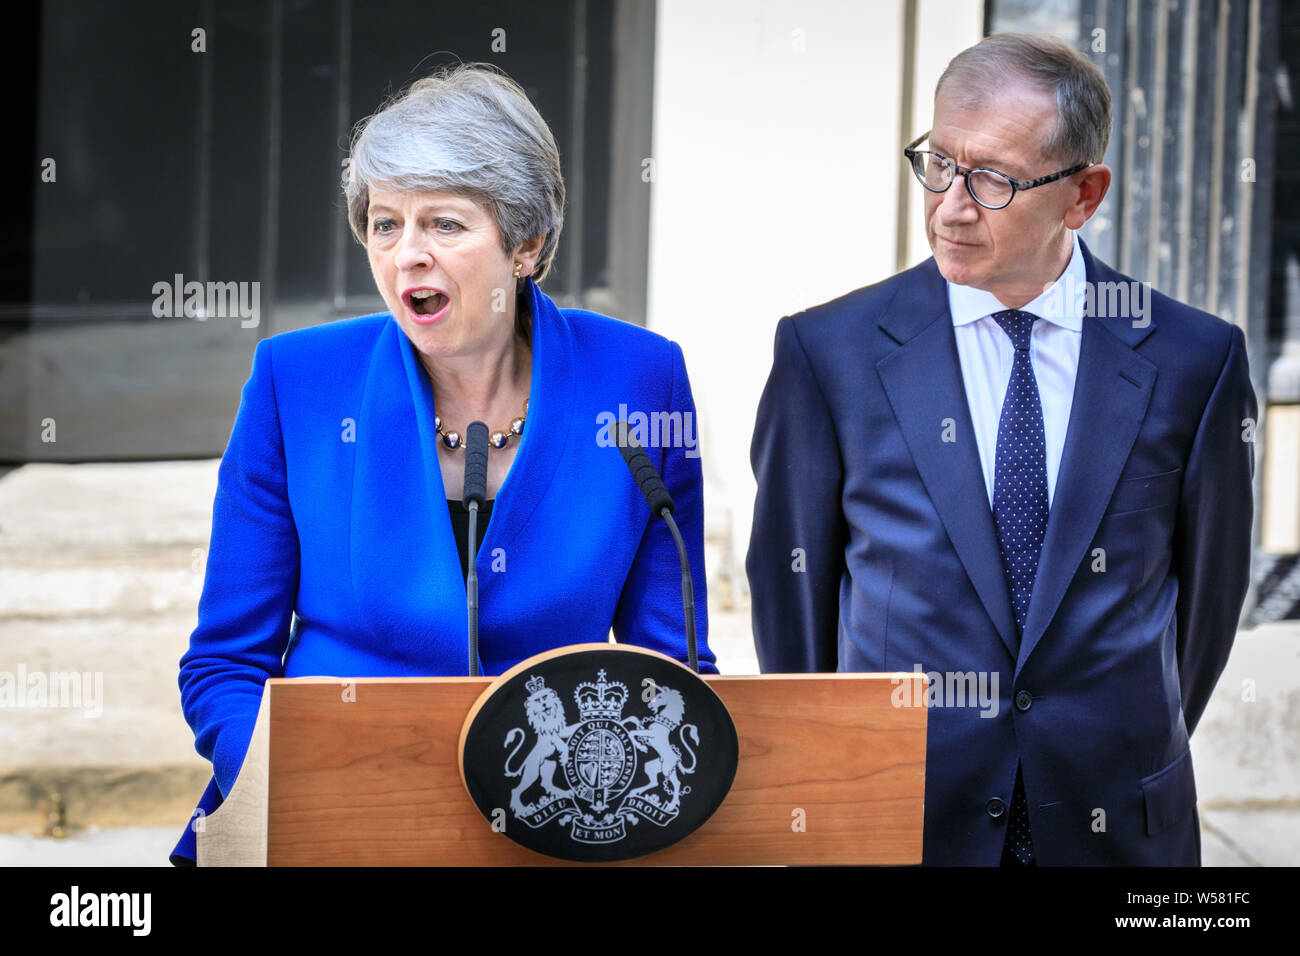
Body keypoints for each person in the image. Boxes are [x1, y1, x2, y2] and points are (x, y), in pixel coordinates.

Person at [170, 63, 714, 865]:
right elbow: (222, 666)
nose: (406, 257)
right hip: (321, 819)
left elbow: (670, 663)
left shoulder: (640, 379)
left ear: (526, 244)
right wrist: (309, 792)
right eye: (385, 224)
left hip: (552, 827)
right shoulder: (299, 383)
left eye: (445, 226)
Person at [746, 32, 1255, 865]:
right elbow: (791, 607)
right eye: (938, 164)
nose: (950, 204)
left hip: (1117, 824)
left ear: (1083, 195)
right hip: (899, 818)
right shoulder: (827, 352)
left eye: (992, 179)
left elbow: (1205, 606)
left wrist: (1113, 739)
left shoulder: (1194, 359)